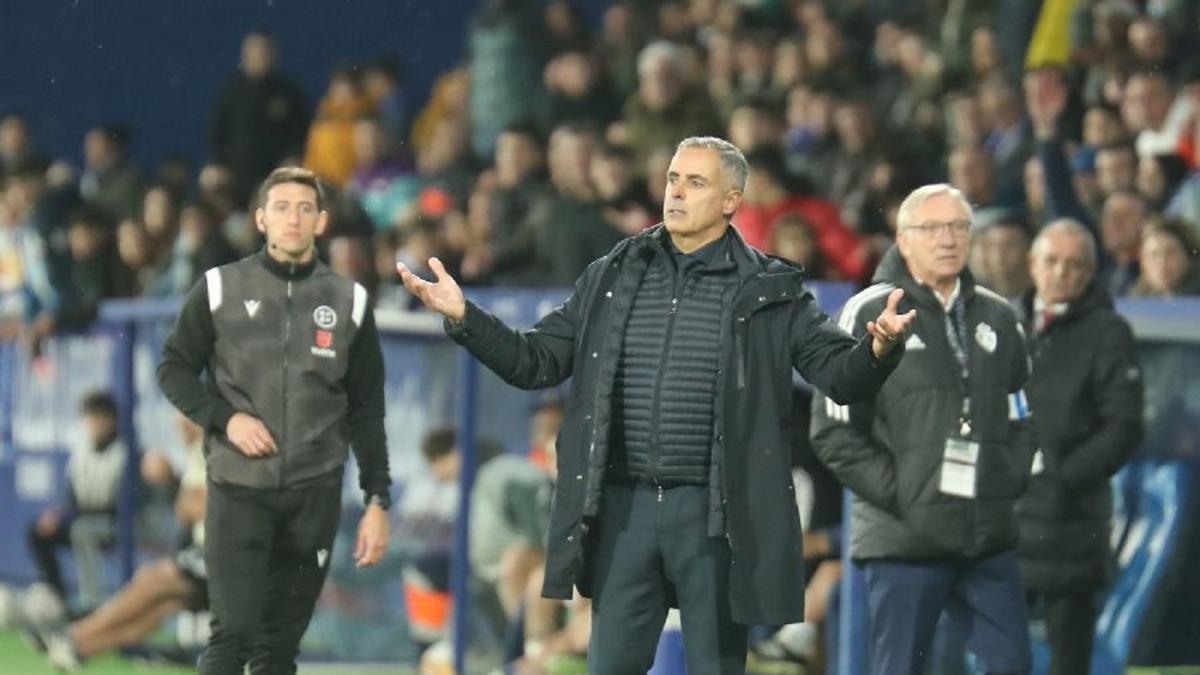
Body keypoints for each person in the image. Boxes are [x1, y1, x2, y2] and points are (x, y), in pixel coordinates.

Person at [399, 136, 913, 674]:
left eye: (696, 182)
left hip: (716, 514)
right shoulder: (612, 274)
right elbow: (536, 362)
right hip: (625, 509)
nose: (677, 193)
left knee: (715, 666)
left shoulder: (771, 289)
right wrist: (465, 317)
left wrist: (878, 350)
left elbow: (839, 374)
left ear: (731, 201)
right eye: (673, 179)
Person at [157, 166, 391, 674]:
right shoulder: (219, 288)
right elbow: (173, 367)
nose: (293, 218)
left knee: (279, 650)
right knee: (233, 636)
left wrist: (377, 499)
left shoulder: (349, 302)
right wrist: (225, 419)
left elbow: (368, 408)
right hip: (239, 487)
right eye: (282, 208)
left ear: (321, 222)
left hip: (315, 493)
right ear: (260, 219)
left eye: (305, 209)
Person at [811, 183, 1035, 675]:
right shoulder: (868, 312)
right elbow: (833, 429)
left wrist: (1005, 481)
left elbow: (1022, 414)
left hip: (985, 534)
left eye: (958, 227)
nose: (947, 239)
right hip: (904, 541)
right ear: (903, 239)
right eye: (931, 228)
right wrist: (904, 495)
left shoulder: (999, 316)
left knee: (1012, 664)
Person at [1016, 218, 1144, 675]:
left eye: (1074, 265)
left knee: (1069, 659)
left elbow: (1124, 427)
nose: (1061, 273)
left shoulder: (1109, 333)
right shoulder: (1003, 324)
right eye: (1052, 262)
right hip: (1002, 521)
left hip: (1071, 524)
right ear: (1033, 264)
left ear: (1090, 272)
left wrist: (1062, 477)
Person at [28, 414, 211, 671]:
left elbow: (205, 507)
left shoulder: (223, 447)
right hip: (206, 556)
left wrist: (183, 489)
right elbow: (185, 509)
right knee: (163, 605)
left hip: (228, 556)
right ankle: (81, 646)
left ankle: (74, 636)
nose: (180, 426)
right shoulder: (197, 453)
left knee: (154, 579)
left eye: (187, 419)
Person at [26, 391, 127, 615]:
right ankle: (58, 596)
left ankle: (92, 605)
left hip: (113, 523)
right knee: (38, 530)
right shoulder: (82, 450)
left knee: (83, 530)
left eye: (100, 418)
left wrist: (70, 515)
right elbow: (71, 497)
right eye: (90, 418)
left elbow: (118, 506)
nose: (94, 424)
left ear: (113, 420)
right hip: (82, 517)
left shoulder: (124, 452)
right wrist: (58, 516)